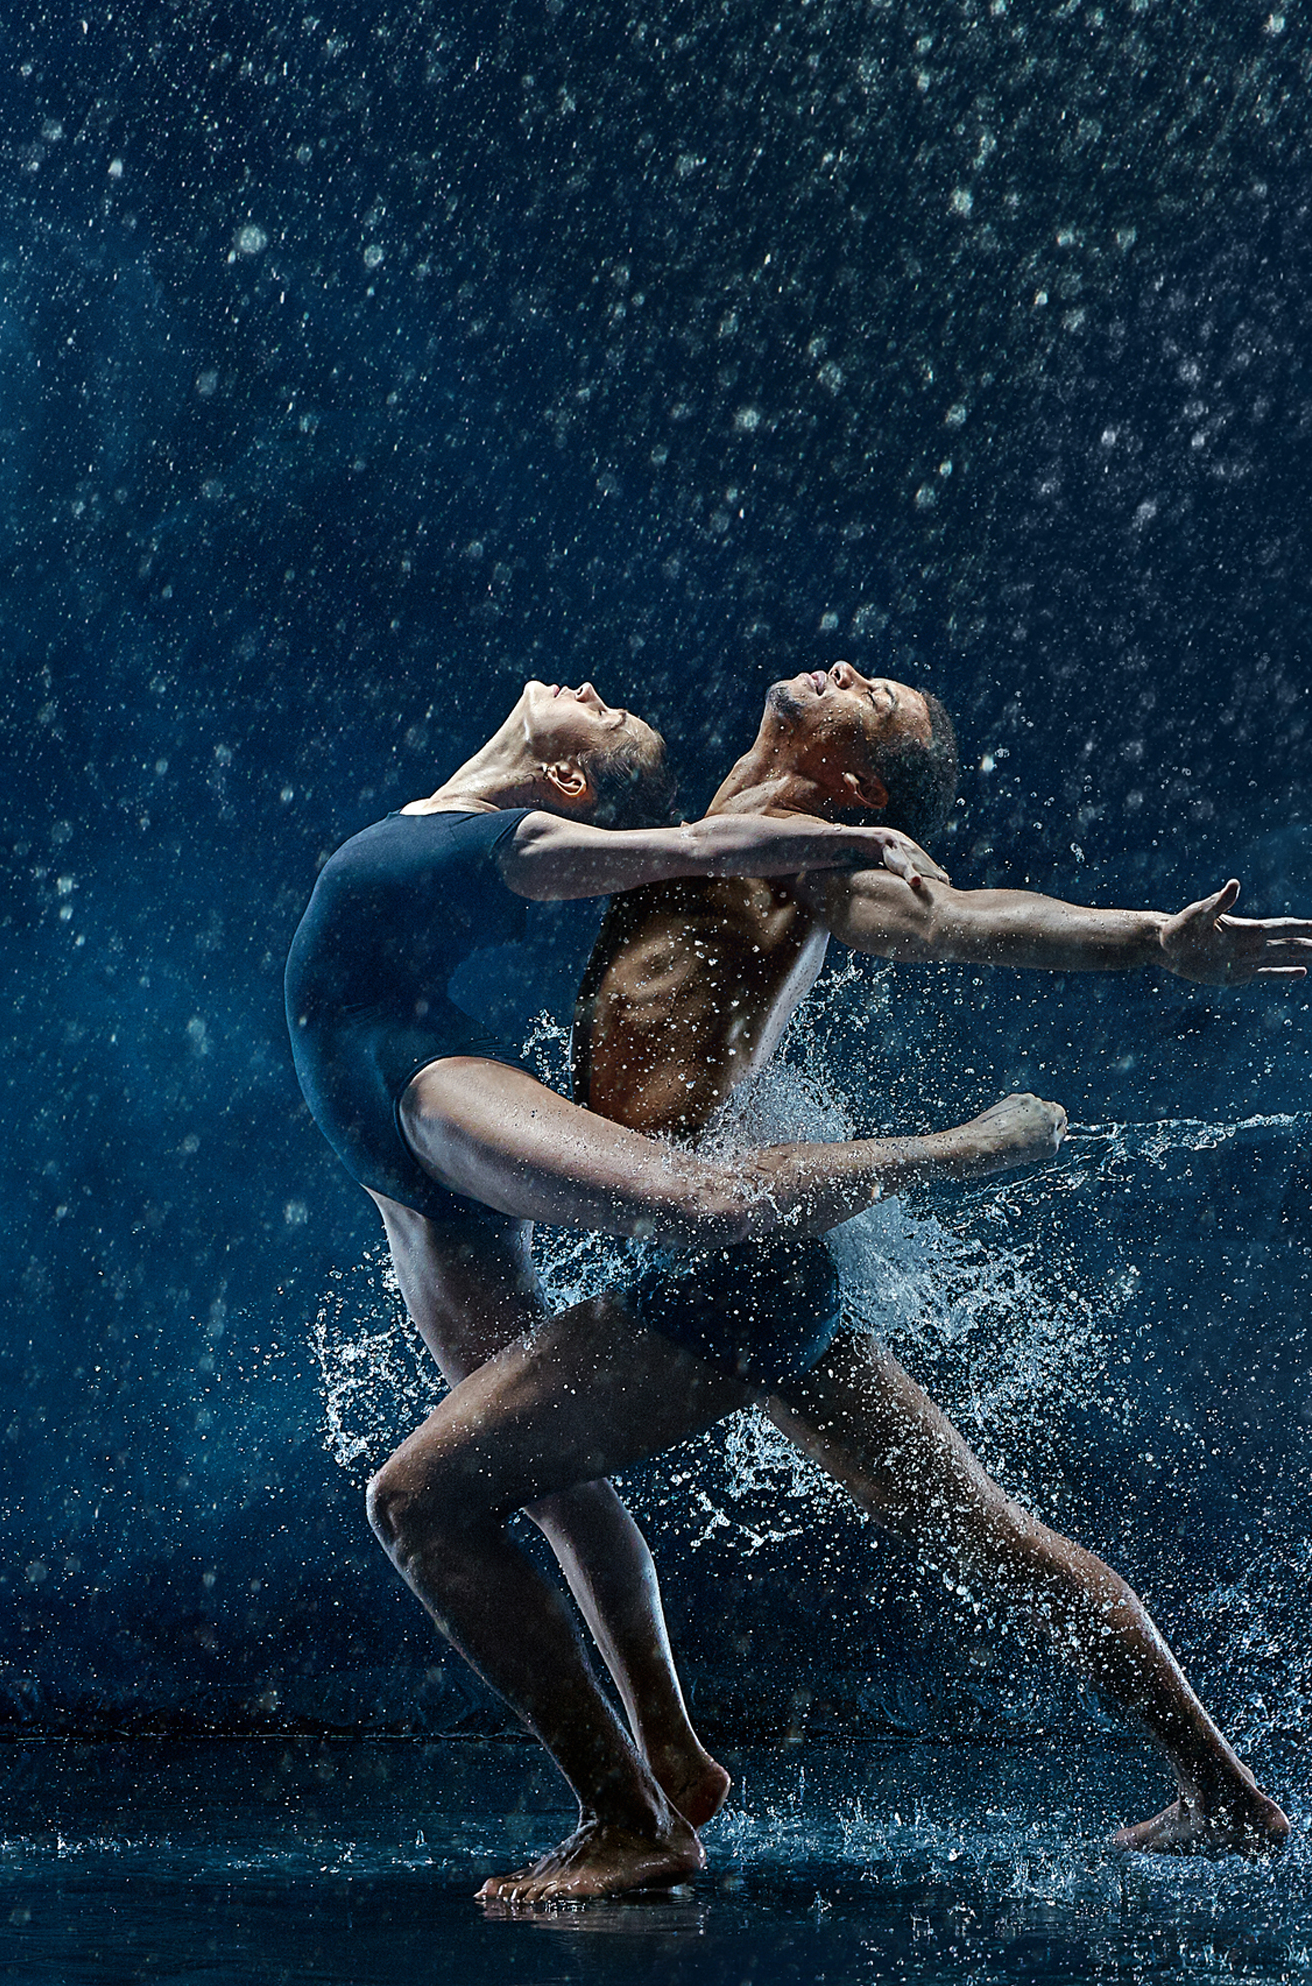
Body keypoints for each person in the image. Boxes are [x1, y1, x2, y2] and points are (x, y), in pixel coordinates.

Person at [366, 666, 1312, 1900]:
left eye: (877, 696)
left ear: (856, 782)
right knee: (997, 1540)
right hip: (766, 1274)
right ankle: (1226, 1796)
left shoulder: (810, 870)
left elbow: (960, 916)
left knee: (420, 1501)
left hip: (730, 1278)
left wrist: (1150, 937)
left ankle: (632, 1825)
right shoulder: (699, 841)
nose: (847, 670)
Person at [287, 674, 1068, 1885]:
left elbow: (705, 844)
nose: (586, 690)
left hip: (424, 1087)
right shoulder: (453, 805)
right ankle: (667, 1750)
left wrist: (858, 836)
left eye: (594, 722)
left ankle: (630, 1825)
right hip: (389, 1174)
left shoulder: (526, 832)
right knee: (550, 1476)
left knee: (696, 1206)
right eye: (596, 706)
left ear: (562, 781)